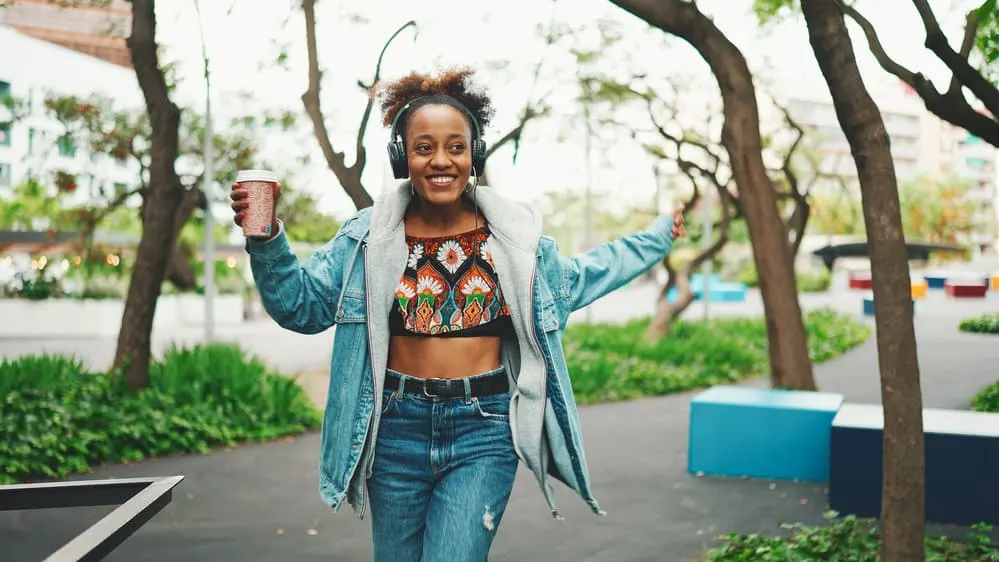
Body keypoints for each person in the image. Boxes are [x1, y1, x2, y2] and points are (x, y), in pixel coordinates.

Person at [231, 66, 686, 562]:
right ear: (403, 157)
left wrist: (656, 238)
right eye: (424, 147)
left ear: (475, 154)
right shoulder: (364, 239)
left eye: (456, 146)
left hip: (483, 429)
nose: (441, 160)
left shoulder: (514, 241)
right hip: (395, 430)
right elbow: (301, 307)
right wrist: (267, 237)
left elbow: (586, 274)